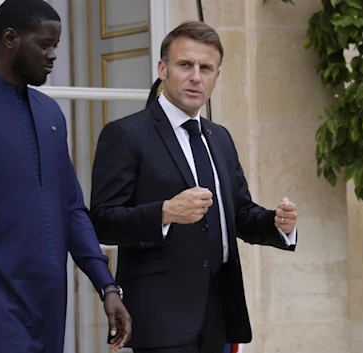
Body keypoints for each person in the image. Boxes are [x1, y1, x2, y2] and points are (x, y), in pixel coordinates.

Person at [0, 1, 131, 352]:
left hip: (51, 308)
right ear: (10, 39)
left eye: (56, 45)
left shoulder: (51, 112)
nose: (53, 56)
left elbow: (72, 208)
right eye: (45, 45)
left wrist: (107, 286)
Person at [90, 21, 299, 353]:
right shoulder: (126, 134)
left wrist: (277, 223)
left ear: (217, 77)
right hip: (162, 315)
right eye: (185, 65)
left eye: (206, 68)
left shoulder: (220, 138)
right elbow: (101, 221)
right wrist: (165, 213)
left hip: (219, 310)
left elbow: (240, 213)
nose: (195, 76)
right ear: (163, 69)